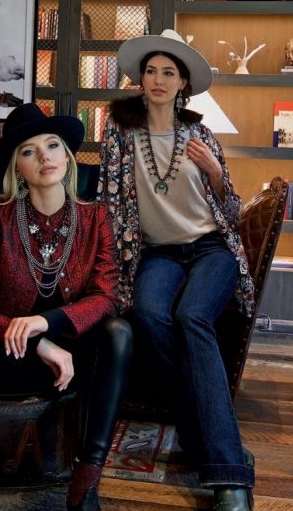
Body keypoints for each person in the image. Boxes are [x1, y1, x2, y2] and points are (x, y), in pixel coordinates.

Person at [0, 103, 133, 511]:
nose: (45, 156)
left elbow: (106, 296)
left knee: (119, 332)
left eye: (52, 145)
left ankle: (85, 486)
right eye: (29, 151)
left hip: (72, 359)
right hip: (8, 354)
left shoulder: (95, 217)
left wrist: (46, 323)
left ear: (68, 155)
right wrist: (36, 340)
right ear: (18, 168)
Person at [96, 30, 256, 511]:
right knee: (148, 315)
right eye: (151, 71)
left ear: (183, 82)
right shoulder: (120, 132)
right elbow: (110, 203)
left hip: (211, 249)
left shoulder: (202, 135)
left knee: (192, 317)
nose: (159, 80)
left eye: (169, 72)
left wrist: (214, 173)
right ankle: (201, 431)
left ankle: (229, 478)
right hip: (158, 253)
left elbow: (232, 212)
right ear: (141, 79)